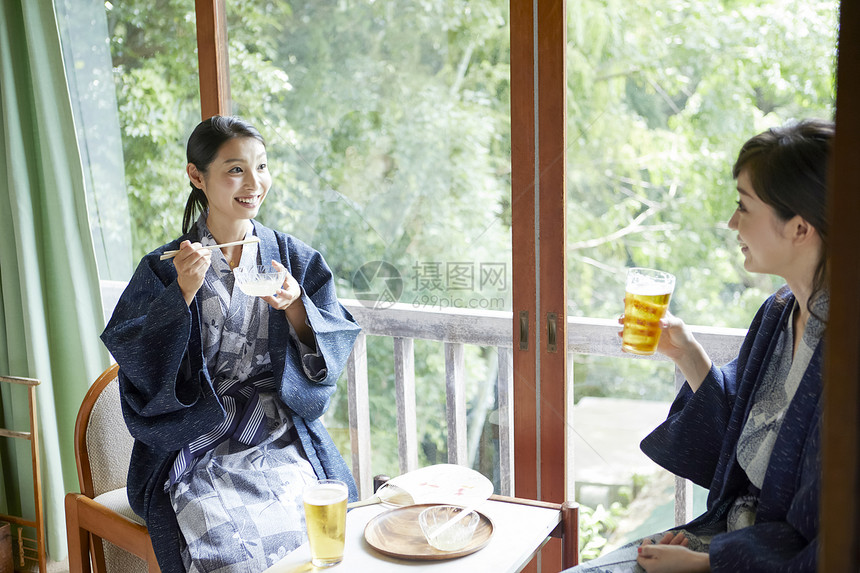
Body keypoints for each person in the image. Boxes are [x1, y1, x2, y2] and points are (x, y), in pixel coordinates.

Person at [564, 119, 833, 573]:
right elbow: (742, 442)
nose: (732, 222)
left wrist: (706, 565)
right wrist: (686, 353)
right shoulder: (778, 312)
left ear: (800, 229)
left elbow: (832, 542)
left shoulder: (844, 353)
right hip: (729, 536)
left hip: (753, 558)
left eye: (744, 207)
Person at [101, 115, 361, 573]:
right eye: (235, 169)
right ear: (196, 176)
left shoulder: (293, 258)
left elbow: (333, 344)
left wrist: (296, 306)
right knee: (230, 552)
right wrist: (179, 294)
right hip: (194, 442)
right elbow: (136, 361)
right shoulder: (164, 269)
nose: (254, 182)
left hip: (278, 435)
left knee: (314, 541)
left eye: (261, 166)